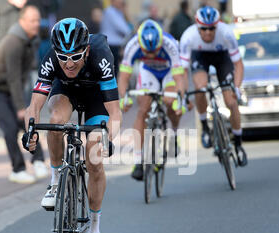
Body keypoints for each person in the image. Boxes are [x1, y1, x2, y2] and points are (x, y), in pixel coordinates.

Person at [24, 18, 122, 233]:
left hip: (96, 97)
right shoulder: (50, 58)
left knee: (94, 155)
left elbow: (115, 113)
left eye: (76, 56)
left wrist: (109, 137)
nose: (68, 63)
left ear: (86, 50)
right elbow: (34, 105)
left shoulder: (100, 55)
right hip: (66, 92)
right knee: (55, 121)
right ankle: (56, 182)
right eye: (63, 56)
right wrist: (30, 130)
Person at [0, 5, 48, 184]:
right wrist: (20, 106)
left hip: (13, 87)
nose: (36, 24)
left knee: (28, 122)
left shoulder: (32, 39)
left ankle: (39, 160)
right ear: (22, 22)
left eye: (37, 20)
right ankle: (17, 169)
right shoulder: (14, 42)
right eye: (32, 20)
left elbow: (23, 74)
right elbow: (13, 78)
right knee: (10, 128)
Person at [118, 19, 188, 181]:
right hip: (148, 72)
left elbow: (180, 78)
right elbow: (123, 77)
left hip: (169, 72)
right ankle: (138, 160)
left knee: (171, 102)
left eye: (154, 51)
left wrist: (180, 99)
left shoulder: (170, 44)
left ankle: (174, 134)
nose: (150, 55)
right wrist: (124, 98)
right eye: (146, 52)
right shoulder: (133, 45)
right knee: (143, 109)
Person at [179, 6, 247, 166]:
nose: (208, 32)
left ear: (217, 25)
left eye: (212, 28)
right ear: (197, 25)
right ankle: (205, 126)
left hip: (222, 57)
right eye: (204, 28)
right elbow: (182, 71)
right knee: (200, 87)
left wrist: (236, 87)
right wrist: (182, 93)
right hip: (199, 57)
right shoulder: (188, 36)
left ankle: (238, 144)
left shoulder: (226, 33)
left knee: (231, 101)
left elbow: (239, 65)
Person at [100, 0, 133, 76]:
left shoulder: (118, 12)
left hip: (115, 46)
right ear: (113, 1)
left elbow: (129, 27)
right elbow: (125, 29)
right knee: (111, 71)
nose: (121, 2)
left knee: (116, 70)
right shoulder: (110, 11)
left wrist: (125, 12)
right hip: (111, 46)